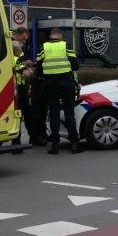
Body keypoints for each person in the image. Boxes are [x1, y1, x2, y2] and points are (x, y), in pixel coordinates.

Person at [36, 27, 82, 155]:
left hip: (50, 85)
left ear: (51, 36)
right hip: (66, 84)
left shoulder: (43, 47)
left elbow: (39, 67)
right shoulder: (65, 46)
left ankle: (55, 146)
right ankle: (74, 144)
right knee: (69, 114)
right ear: (60, 36)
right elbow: (76, 65)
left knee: (54, 114)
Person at [12, 26, 46, 145]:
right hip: (17, 87)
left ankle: (25, 140)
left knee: (24, 114)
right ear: (17, 35)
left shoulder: (18, 46)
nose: (25, 41)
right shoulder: (13, 46)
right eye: (24, 38)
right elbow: (12, 64)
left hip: (21, 86)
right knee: (22, 115)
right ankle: (20, 141)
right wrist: (24, 67)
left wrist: (27, 66)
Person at [11, 38, 36, 146]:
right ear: (15, 50)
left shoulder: (15, 58)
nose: (22, 50)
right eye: (20, 49)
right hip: (19, 90)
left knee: (19, 116)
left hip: (18, 90)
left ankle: (17, 142)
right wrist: (28, 67)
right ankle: (31, 139)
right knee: (26, 115)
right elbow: (21, 69)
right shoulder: (16, 59)